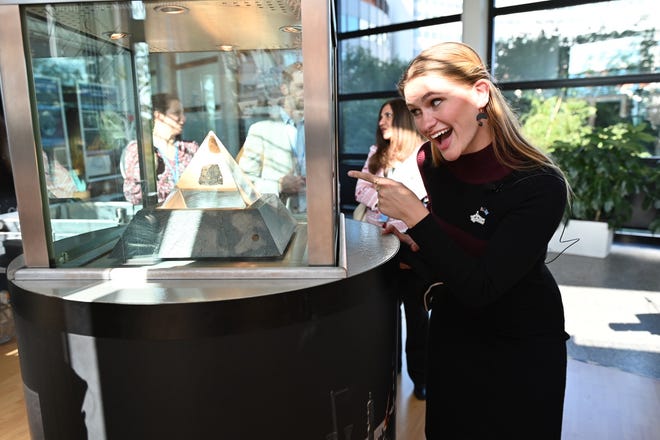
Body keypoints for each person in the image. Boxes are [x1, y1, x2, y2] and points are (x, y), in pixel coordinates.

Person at [349, 42, 570, 439]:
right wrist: (413, 245)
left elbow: (483, 286)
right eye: (416, 110)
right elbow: (455, 257)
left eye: (437, 102)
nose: (426, 122)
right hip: (453, 339)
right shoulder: (429, 162)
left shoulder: (539, 184)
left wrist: (417, 217)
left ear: (480, 93)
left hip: (521, 349)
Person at [354, 98, 429, 400]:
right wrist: (394, 202)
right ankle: (390, 369)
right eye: (380, 116)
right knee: (384, 314)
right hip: (377, 244)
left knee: (417, 316)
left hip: (413, 245)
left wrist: (387, 197)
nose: (381, 121)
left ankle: (421, 378)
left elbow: (422, 199)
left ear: (402, 119)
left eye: (388, 115)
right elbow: (360, 189)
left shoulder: (423, 156)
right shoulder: (376, 154)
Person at [238, 62, 306, 214]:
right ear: (284, 89)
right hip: (276, 220)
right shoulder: (261, 130)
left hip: (315, 219)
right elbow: (243, 183)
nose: (306, 93)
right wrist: (278, 186)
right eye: (300, 87)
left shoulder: (318, 131)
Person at [122, 93, 198, 205]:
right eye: (177, 113)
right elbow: (133, 196)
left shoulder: (189, 148)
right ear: (159, 116)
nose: (183, 118)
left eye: (183, 113)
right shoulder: (141, 150)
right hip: (159, 219)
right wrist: (148, 173)